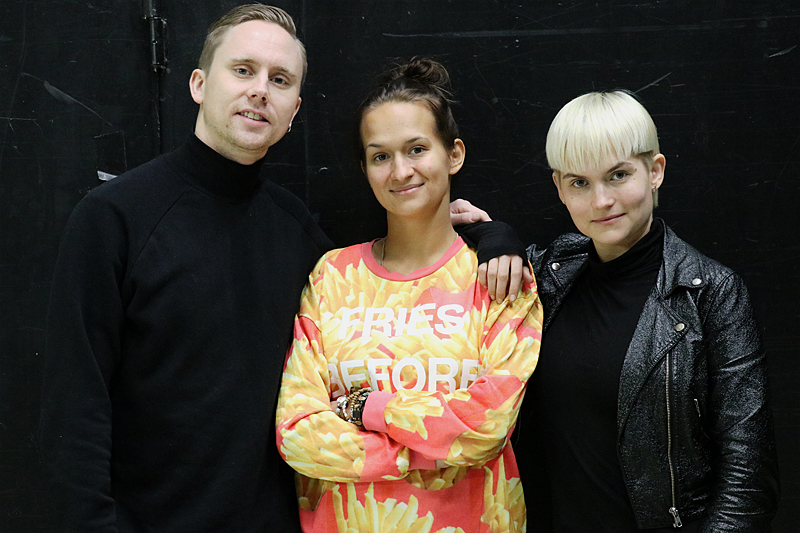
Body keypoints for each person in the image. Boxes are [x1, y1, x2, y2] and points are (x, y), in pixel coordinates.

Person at [39, 5, 525, 532]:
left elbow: (406, 254)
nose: (259, 90)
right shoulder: (115, 217)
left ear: (294, 109)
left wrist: (493, 239)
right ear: (199, 83)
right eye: (242, 70)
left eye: (280, 79)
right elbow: (75, 408)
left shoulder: (298, 236)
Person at [275, 58, 544, 533]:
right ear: (365, 168)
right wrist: (430, 449)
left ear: (453, 154)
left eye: (417, 148)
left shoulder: (499, 279)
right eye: (380, 156)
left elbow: (485, 427)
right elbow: (297, 434)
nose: (400, 170)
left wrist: (363, 409)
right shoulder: (332, 276)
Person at [499, 90, 778, 531]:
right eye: (579, 182)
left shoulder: (712, 294)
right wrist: (496, 236)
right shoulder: (549, 275)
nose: (601, 201)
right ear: (559, 188)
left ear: (655, 171)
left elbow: (748, 481)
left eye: (618, 175)